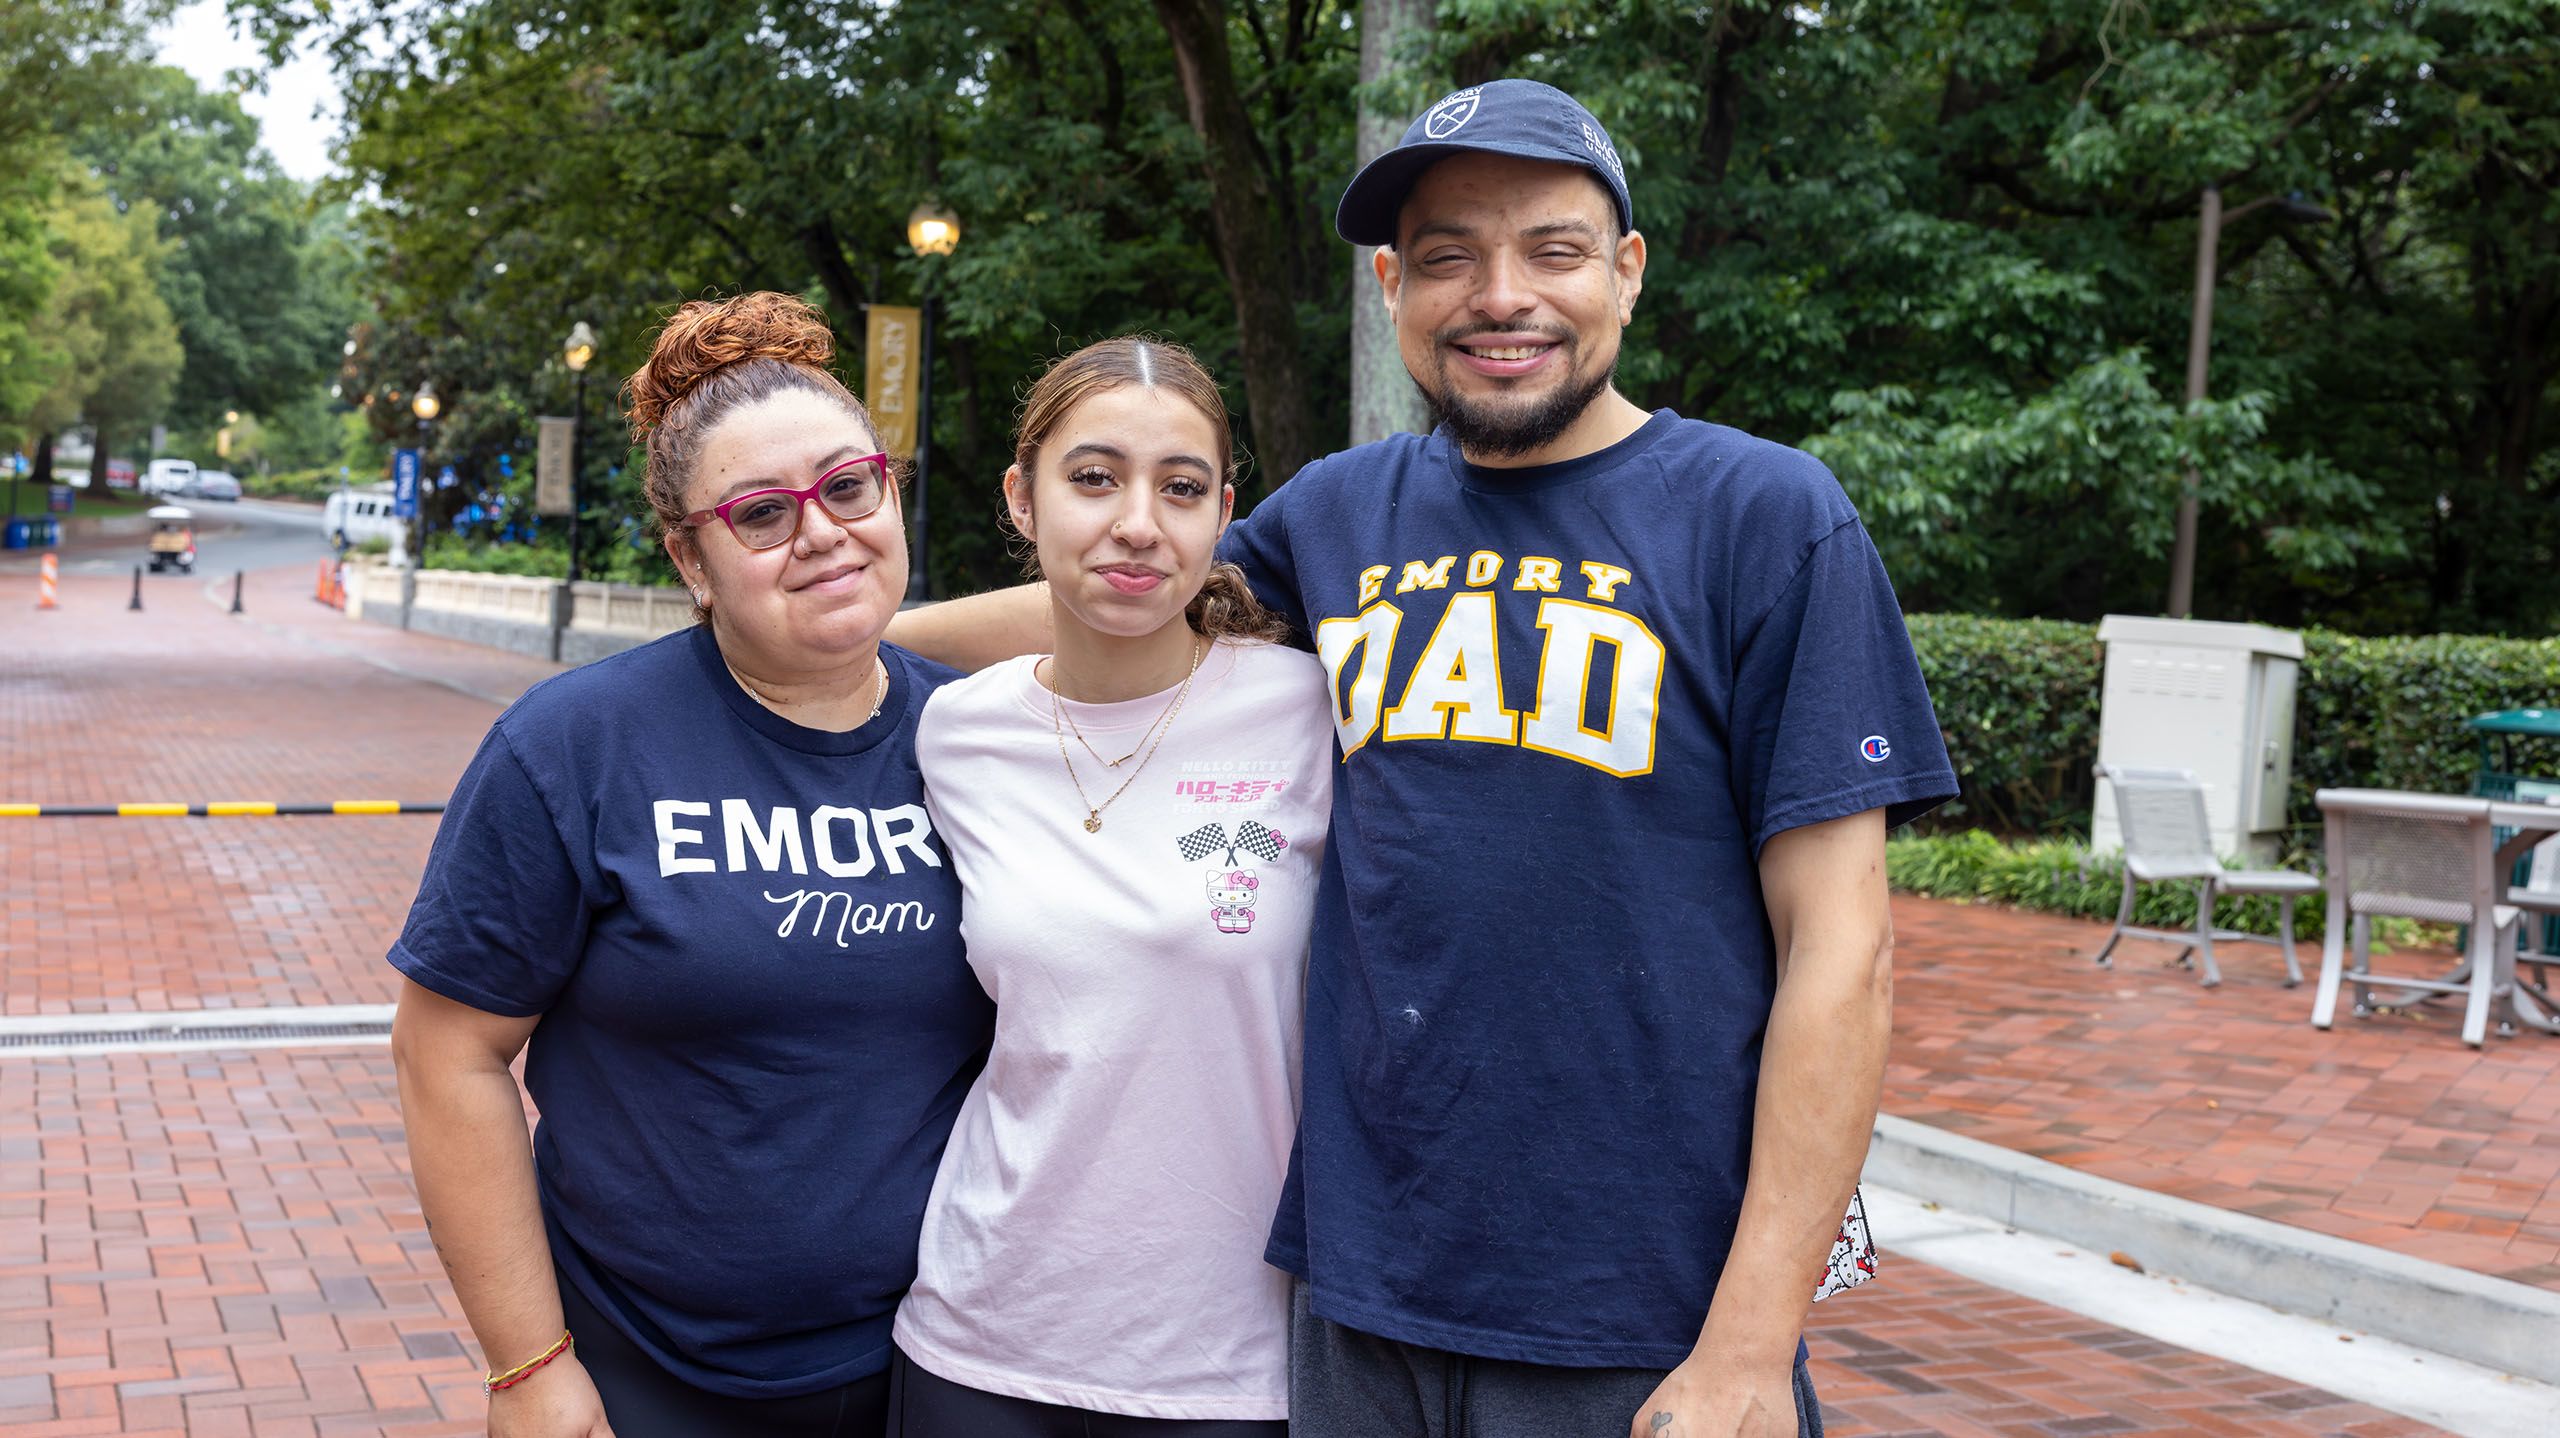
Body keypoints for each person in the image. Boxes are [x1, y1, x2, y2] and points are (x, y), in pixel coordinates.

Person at [891, 79, 1959, 1438]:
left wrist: (1753, 1337)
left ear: (1626, 274)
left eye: (1553, 250)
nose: (1498, 293)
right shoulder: (1339, 513)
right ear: (1394, 286)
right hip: (1359, 1306)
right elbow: (1125, 592)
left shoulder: (1764, 515)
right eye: (1447, 254)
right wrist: (852, 643)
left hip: (1640, 1313)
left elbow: (1843, 951)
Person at [388, 292, 992, 1438]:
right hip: (648, 1374)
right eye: (761, 514)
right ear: (690, 557)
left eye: (849, 487)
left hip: (947, 1365)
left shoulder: (990, 740)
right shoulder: (574, 745)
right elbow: (446, 1052)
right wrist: (528, 1368)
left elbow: (1140, 609)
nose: (821, 532)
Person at [888, 337, 1334, 1435]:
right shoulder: (954, 731)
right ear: (1021, 499)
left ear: (1222, 510)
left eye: (1180, 488)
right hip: (979, 1339)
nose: (1138, 520)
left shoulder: (1313, 710)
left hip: (1235, 1366)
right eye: (1093, 478)